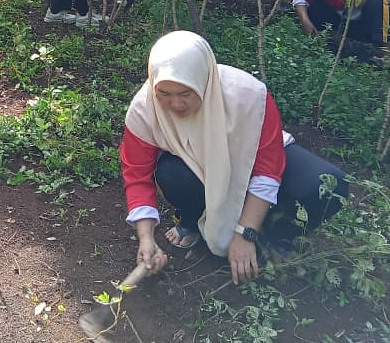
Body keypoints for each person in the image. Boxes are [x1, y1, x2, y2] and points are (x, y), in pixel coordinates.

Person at [120, 31, 348, 285]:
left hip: (249, 160)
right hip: (201, 170)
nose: (175, 104)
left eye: (185, 94)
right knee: (171, 173)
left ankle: (275, 235)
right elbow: (137, 175)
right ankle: (193, 219)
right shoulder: (144, 110)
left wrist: (245, 233)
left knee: (327, 184)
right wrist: (146, 238)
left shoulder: (249, 96)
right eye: (164, 93)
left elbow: (267, 169)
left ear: (205, 80)